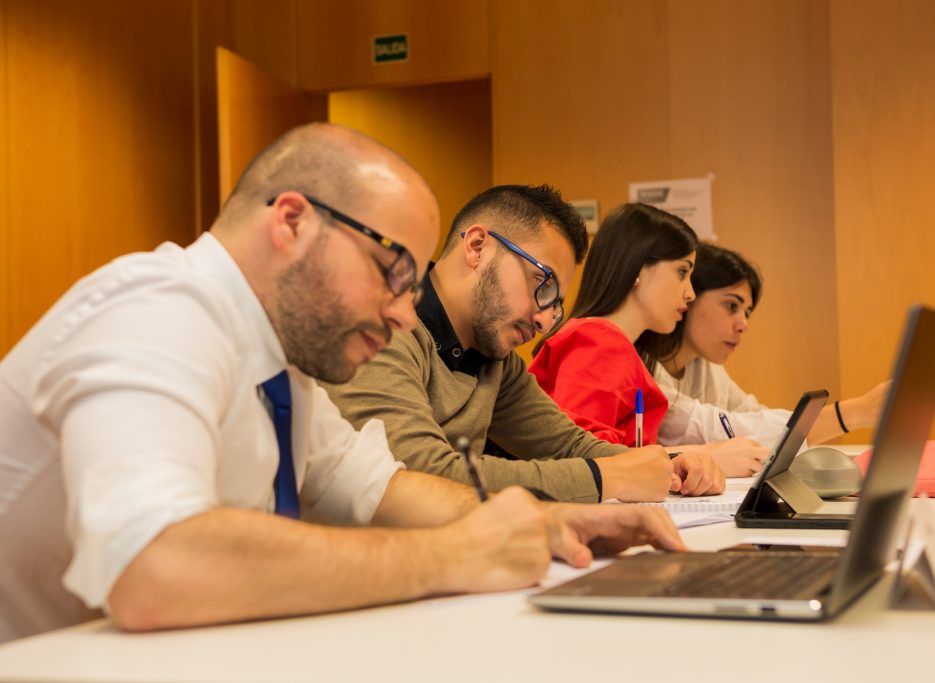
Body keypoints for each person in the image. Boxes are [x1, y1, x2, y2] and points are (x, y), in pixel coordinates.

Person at [0, 124, 684, 643]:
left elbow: (383, 487)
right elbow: (154, 568)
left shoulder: (285, 363)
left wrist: (548, 520)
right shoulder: (156, 309)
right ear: (292, 221)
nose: (403, 309)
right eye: (391, 271)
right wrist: (453, 552)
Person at [324, 186, 725, 504]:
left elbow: (567, 444)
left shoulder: (494, 357)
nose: (544, 318)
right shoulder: (381, 327)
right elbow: (419, 475)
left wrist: (669, 465)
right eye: (542, 284)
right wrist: (610, 477)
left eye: (555, 301)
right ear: (477, 247)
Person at [528, 203, 769, 477]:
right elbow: (581, 462)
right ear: (638, 269)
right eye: (682, 272)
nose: (690, 293)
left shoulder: (616, 347)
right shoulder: (597, 343)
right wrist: (699, 455)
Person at [652, 242, 889, 449]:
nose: (743, 324)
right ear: (690, 296)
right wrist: (857, 411)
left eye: (747, 312)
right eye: (731, 306)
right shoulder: (645, 371)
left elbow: (755, 415)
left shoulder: (704, 366)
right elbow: (724, 431)